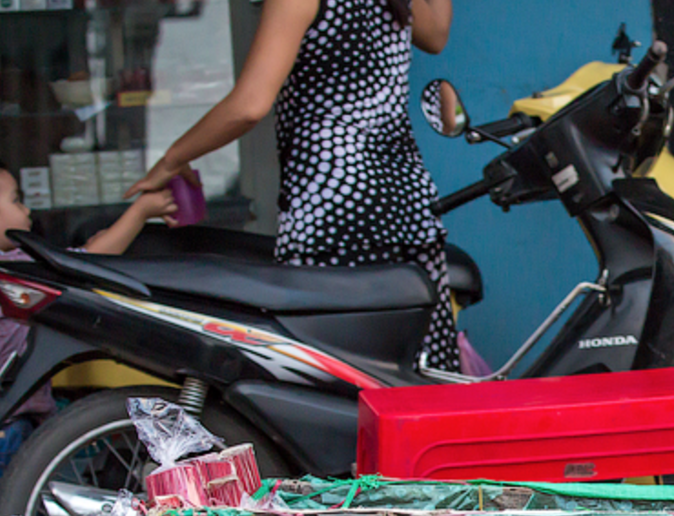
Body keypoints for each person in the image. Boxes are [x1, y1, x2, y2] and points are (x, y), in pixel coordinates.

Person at [124, 0, 460, 372]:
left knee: (328, 381)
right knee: (422, 382)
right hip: (407, 202)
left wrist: (172, 158)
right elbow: (438, 34)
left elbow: (249, 105)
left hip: (333, 204)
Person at [0, 162, 177, 450]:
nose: (27, 210)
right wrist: (140, 211)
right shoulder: (12, 271)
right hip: (12, 428)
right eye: (16, 200)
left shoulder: (15, 264)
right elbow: (85, 264)